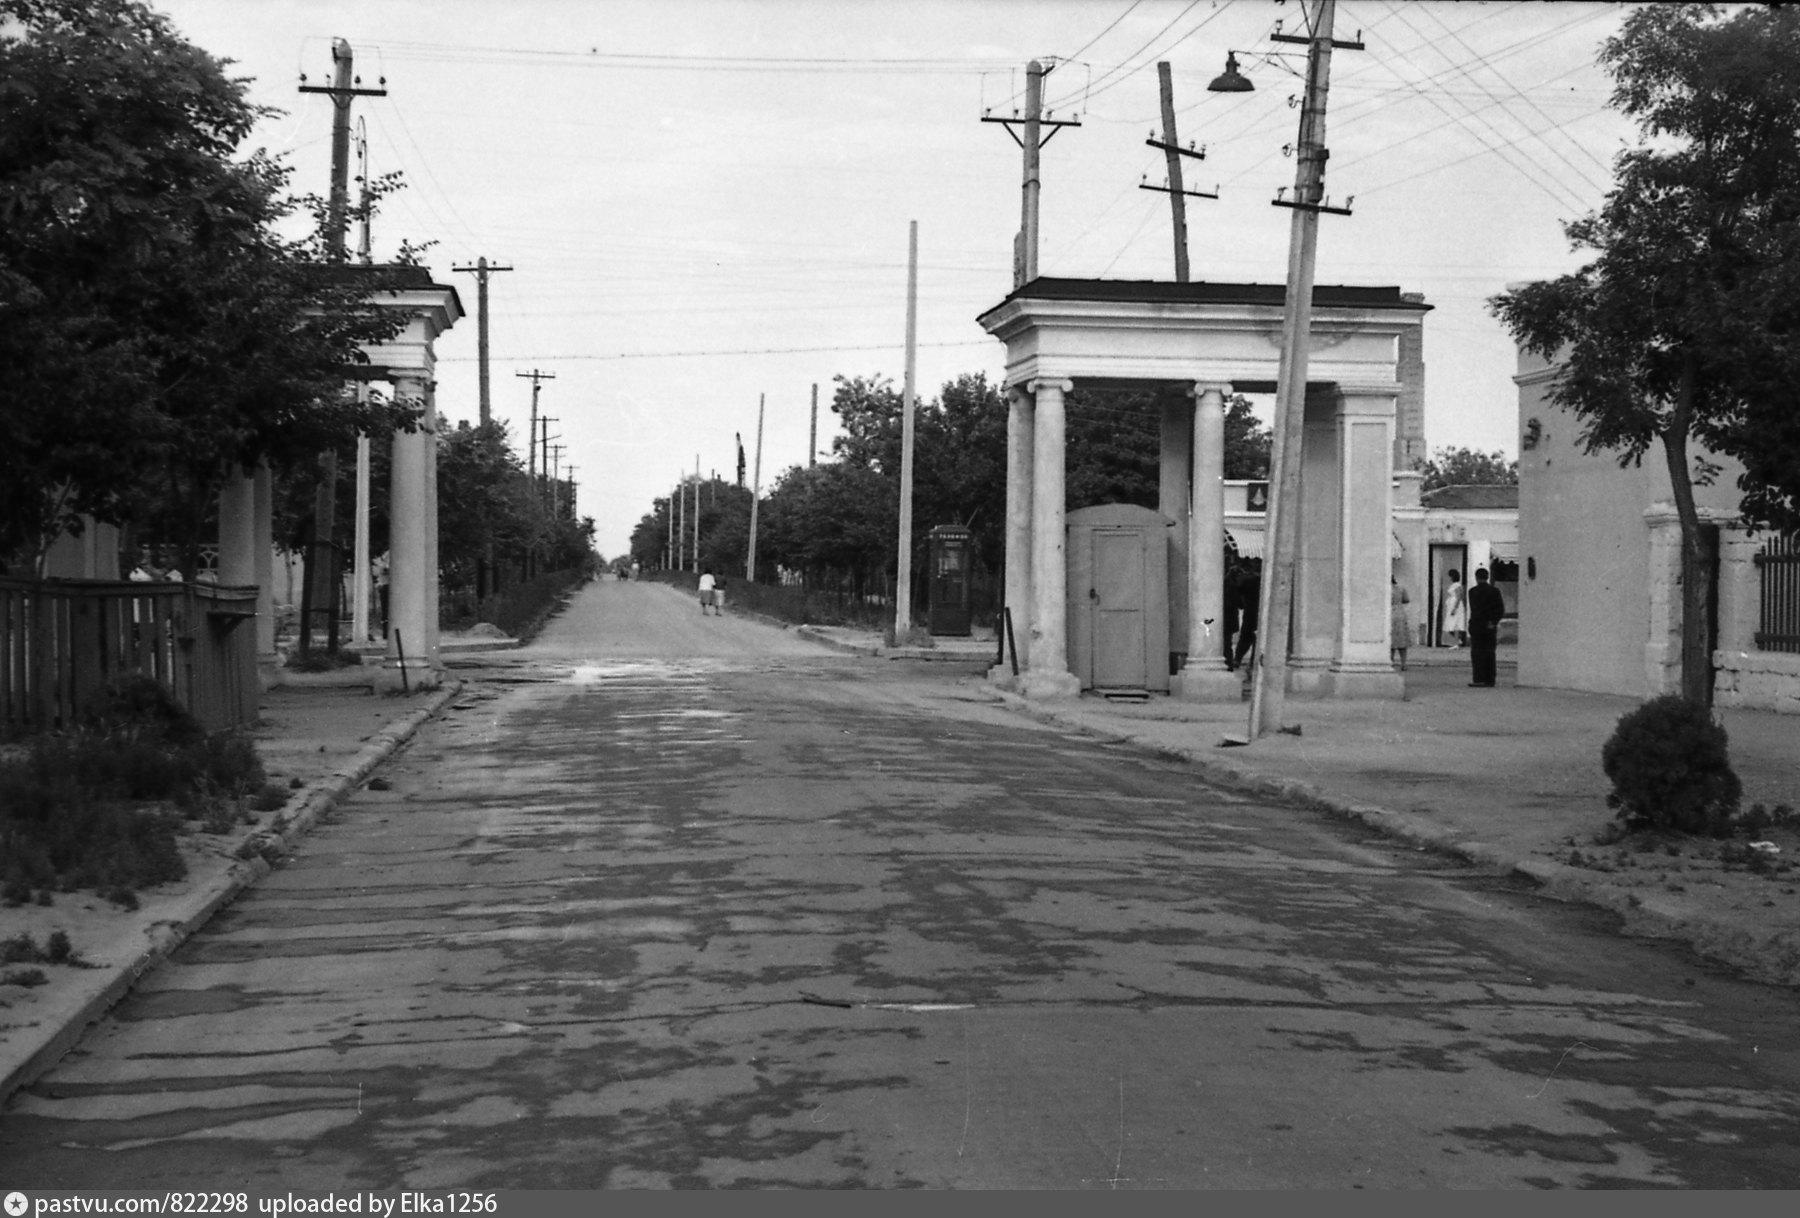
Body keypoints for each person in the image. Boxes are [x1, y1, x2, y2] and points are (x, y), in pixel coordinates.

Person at [1466, 567, 1506, 687]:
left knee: (1477, 653)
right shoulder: (1495, 591)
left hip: (1477, 625)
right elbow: (1500, 609)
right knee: (1489, 652)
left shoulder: (1472, 592)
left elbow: (1474, 609)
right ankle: (1490, 679)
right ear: (1487, 577)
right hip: (1489, 626)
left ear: (1476, 578)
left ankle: (1479, 678)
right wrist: (1493, 622)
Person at [1232, 562, 1261, 673]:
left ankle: (1238, 659)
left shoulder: (1248, 581)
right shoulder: (1257, 581)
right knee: (1257, 639)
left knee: (1245, 637)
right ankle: (1253, 662)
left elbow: (1238, 596)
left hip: (1250, 612)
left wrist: (1243, 604)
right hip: (1258, 611)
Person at [1439, 569, 1467, 647]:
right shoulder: (1453, 585)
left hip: (1455, 605)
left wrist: (1455, 608)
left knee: (1455, 624)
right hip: (1451, 605)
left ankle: (1456, 642)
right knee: (1451, 624)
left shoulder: (1457, 585)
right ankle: (1457, 640)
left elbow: (1459, 597)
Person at [1390, 580, 1412, 671]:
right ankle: (1404, 663)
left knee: (1391, 640)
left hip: (1389, 612)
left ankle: (1391, 661)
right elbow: (1406, 600)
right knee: (1402, 639)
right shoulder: (1401, 588)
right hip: (1400, 613)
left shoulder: (1386, 589)